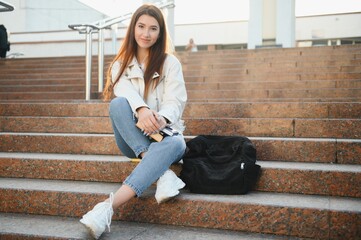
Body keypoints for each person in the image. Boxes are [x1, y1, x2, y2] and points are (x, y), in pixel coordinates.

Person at [79, 4, 187, 239]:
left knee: (178, 144)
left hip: (162, 133)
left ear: (160, 33)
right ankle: (162, 173)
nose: (146, 34)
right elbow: (124, 93)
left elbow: (176, 101)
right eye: (141, 26)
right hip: (133, 138)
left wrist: (160, 117)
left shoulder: (170, 63)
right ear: (133, 28)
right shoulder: (120, 64)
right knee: (117, 104)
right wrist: (142, 110)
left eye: (153, 28)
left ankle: (106, 208)